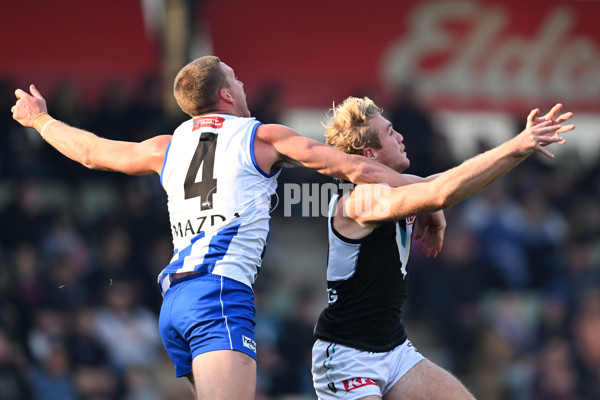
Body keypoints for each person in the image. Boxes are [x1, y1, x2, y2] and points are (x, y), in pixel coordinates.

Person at [10, 55, 437, 400]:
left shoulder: (168, 144)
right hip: (218, 293)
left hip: (175, 301)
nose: (244, 85)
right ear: (225, 94)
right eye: (236, 79)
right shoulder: (259, 136)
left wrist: (41, 122)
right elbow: (353, 166)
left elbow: (92, 152)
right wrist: (428, 197)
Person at [311, 96, 573, 400]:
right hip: (349, 357)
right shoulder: (360, 200)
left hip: (393, 349)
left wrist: (520, 148)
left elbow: (452, 181)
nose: (401, 137)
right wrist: (517, 144)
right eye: (391, 133)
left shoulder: (400, 186)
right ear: (370, 153)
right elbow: (439, 193)